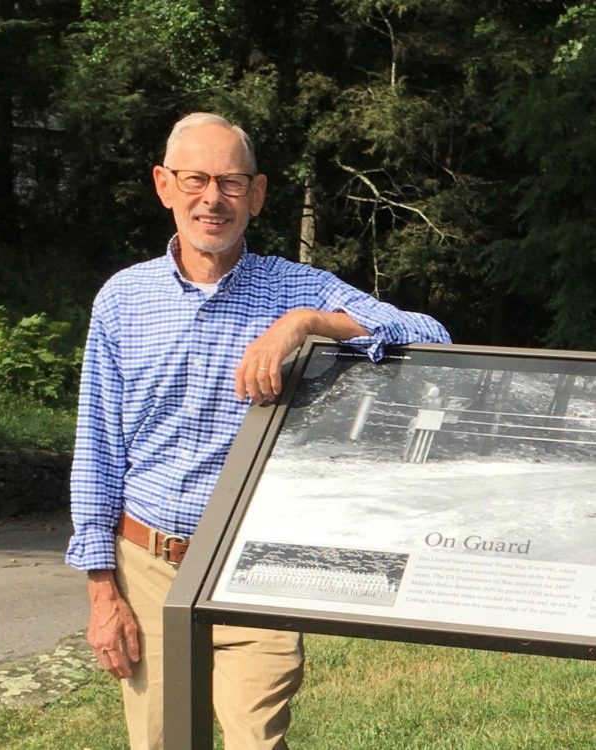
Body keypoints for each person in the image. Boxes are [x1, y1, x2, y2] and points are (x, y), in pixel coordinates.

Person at [66, 111, 451, 750]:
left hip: (257, 565)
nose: (212, 198)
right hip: (149, 565)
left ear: (259, 193)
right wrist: (102, 590)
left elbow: (428, 333)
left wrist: (308, 323)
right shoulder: (122, 300)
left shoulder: (297, 288)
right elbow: (97, 451)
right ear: (164, 185)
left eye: (232, 182)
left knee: (257, 744)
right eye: (195, 179)